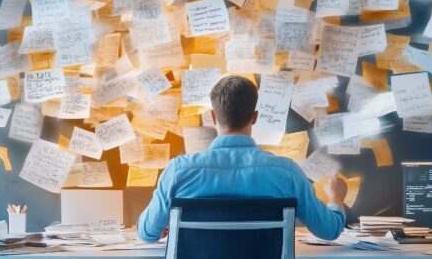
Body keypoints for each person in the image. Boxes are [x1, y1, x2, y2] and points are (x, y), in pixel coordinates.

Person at [137, 75, 348, 242]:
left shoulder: (178, 172)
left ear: (213, 117)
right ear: (254, 117)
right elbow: (329, 230)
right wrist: (337, 199)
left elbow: (147, 234)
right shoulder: (287, 173)